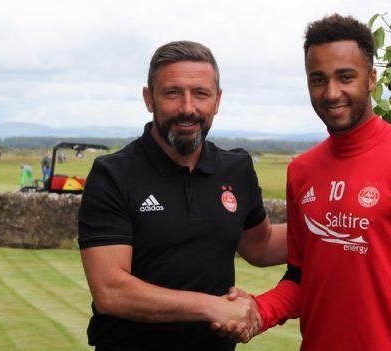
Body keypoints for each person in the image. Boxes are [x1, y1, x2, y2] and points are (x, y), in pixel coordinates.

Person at [215, 14, 391, 350]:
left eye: (345, 77)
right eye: (318, 80)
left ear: (372, 78)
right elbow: (302, 276)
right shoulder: (302, 171)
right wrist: (259, 311)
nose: (331, 93)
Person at [77, 40, 287, 351]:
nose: (187, 108)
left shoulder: (236, 169)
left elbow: (260, 245)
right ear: (150, 99)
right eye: (172, 93)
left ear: (217, 101)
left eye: (200, 94)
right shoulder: (113, 175)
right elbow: (111, 290)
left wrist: (344, 226)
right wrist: (212, 306)